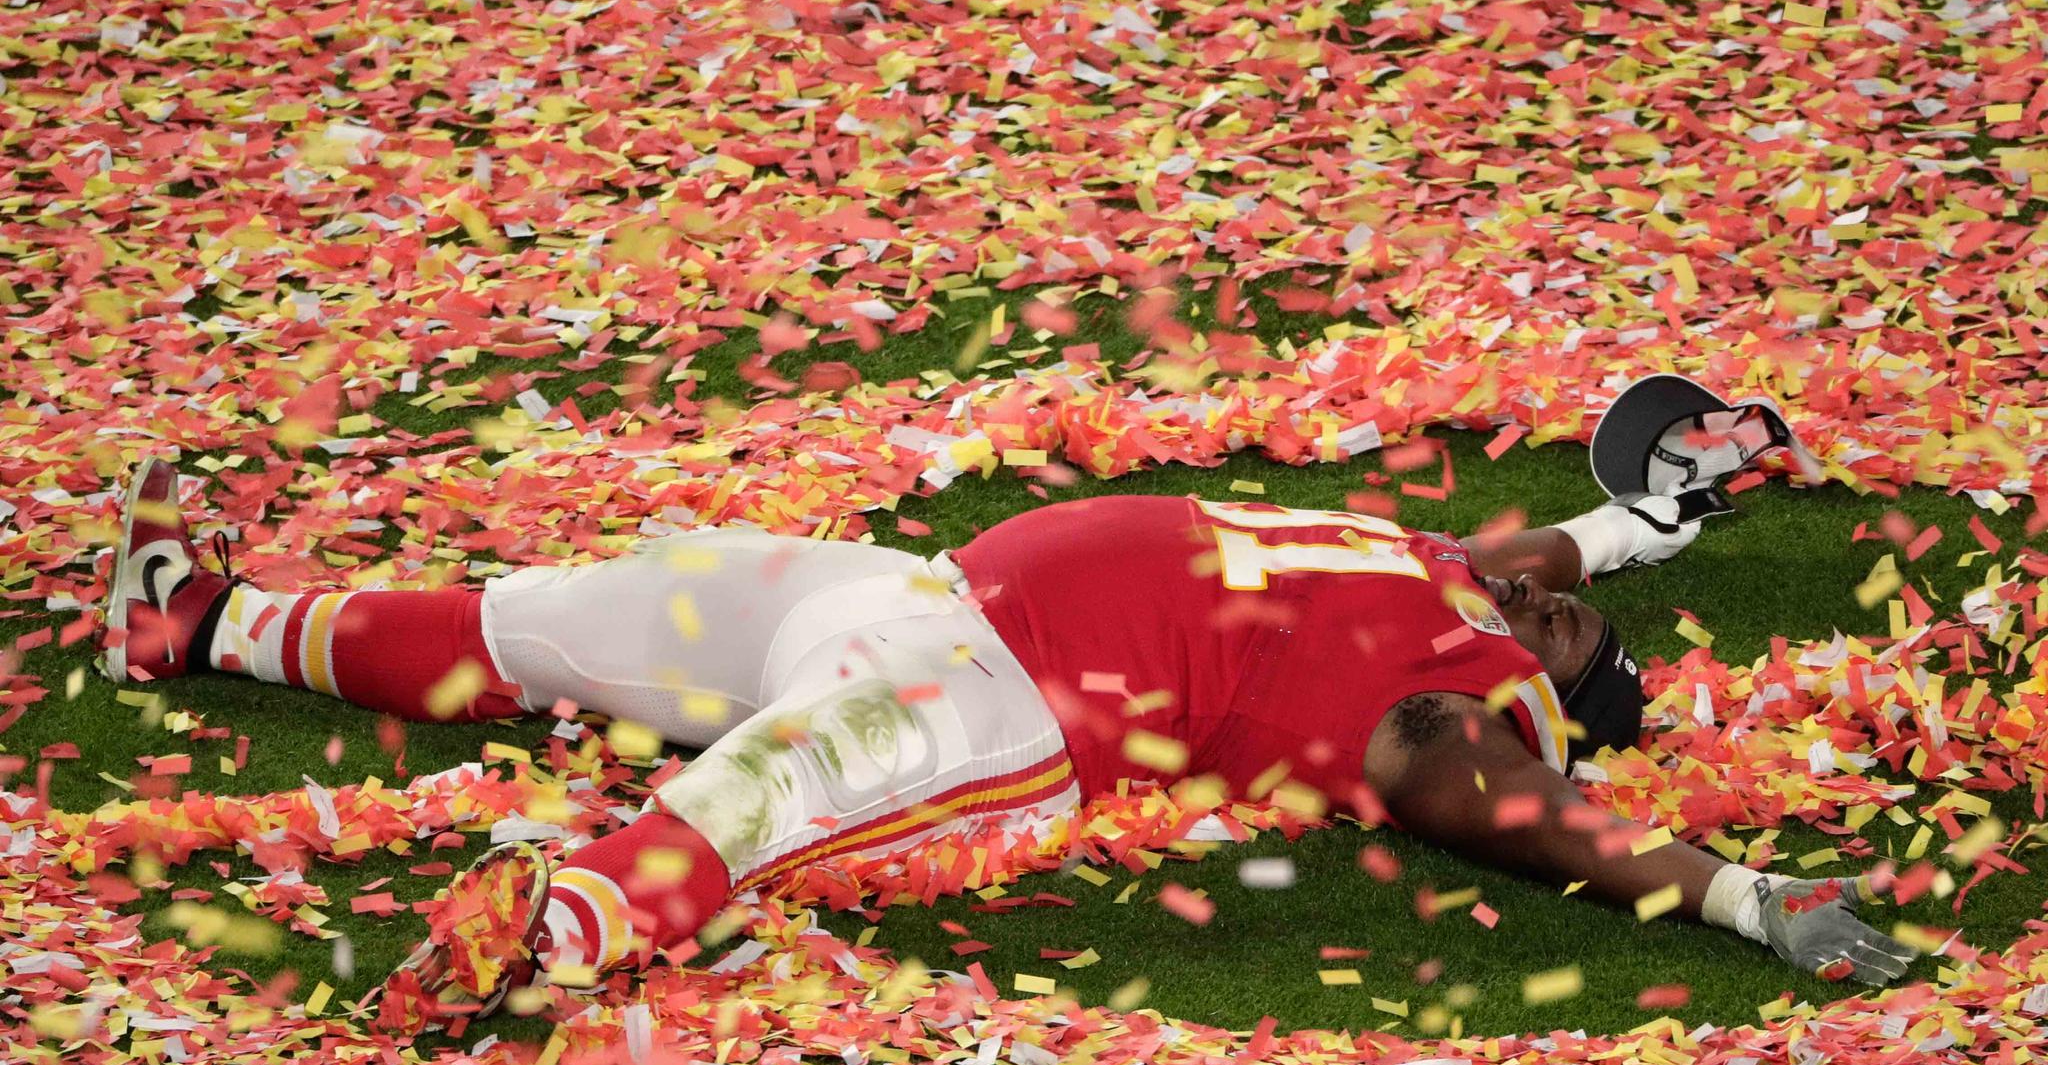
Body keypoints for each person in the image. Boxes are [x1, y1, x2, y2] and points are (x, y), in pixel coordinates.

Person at [100, 432, 1915, 1023]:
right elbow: (1552, 534)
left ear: (1542, 694)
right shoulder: (1444, 568)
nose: (1534, 588)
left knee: (757, 789)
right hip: (906, 586)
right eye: (1538, 583)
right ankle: (215, 625)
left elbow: (1524, 820)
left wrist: (1748, 896)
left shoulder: (1451, 714)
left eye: (1559, 619)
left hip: (999, 707)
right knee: (565, 617)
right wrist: (1660, 510)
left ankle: (545, 934)